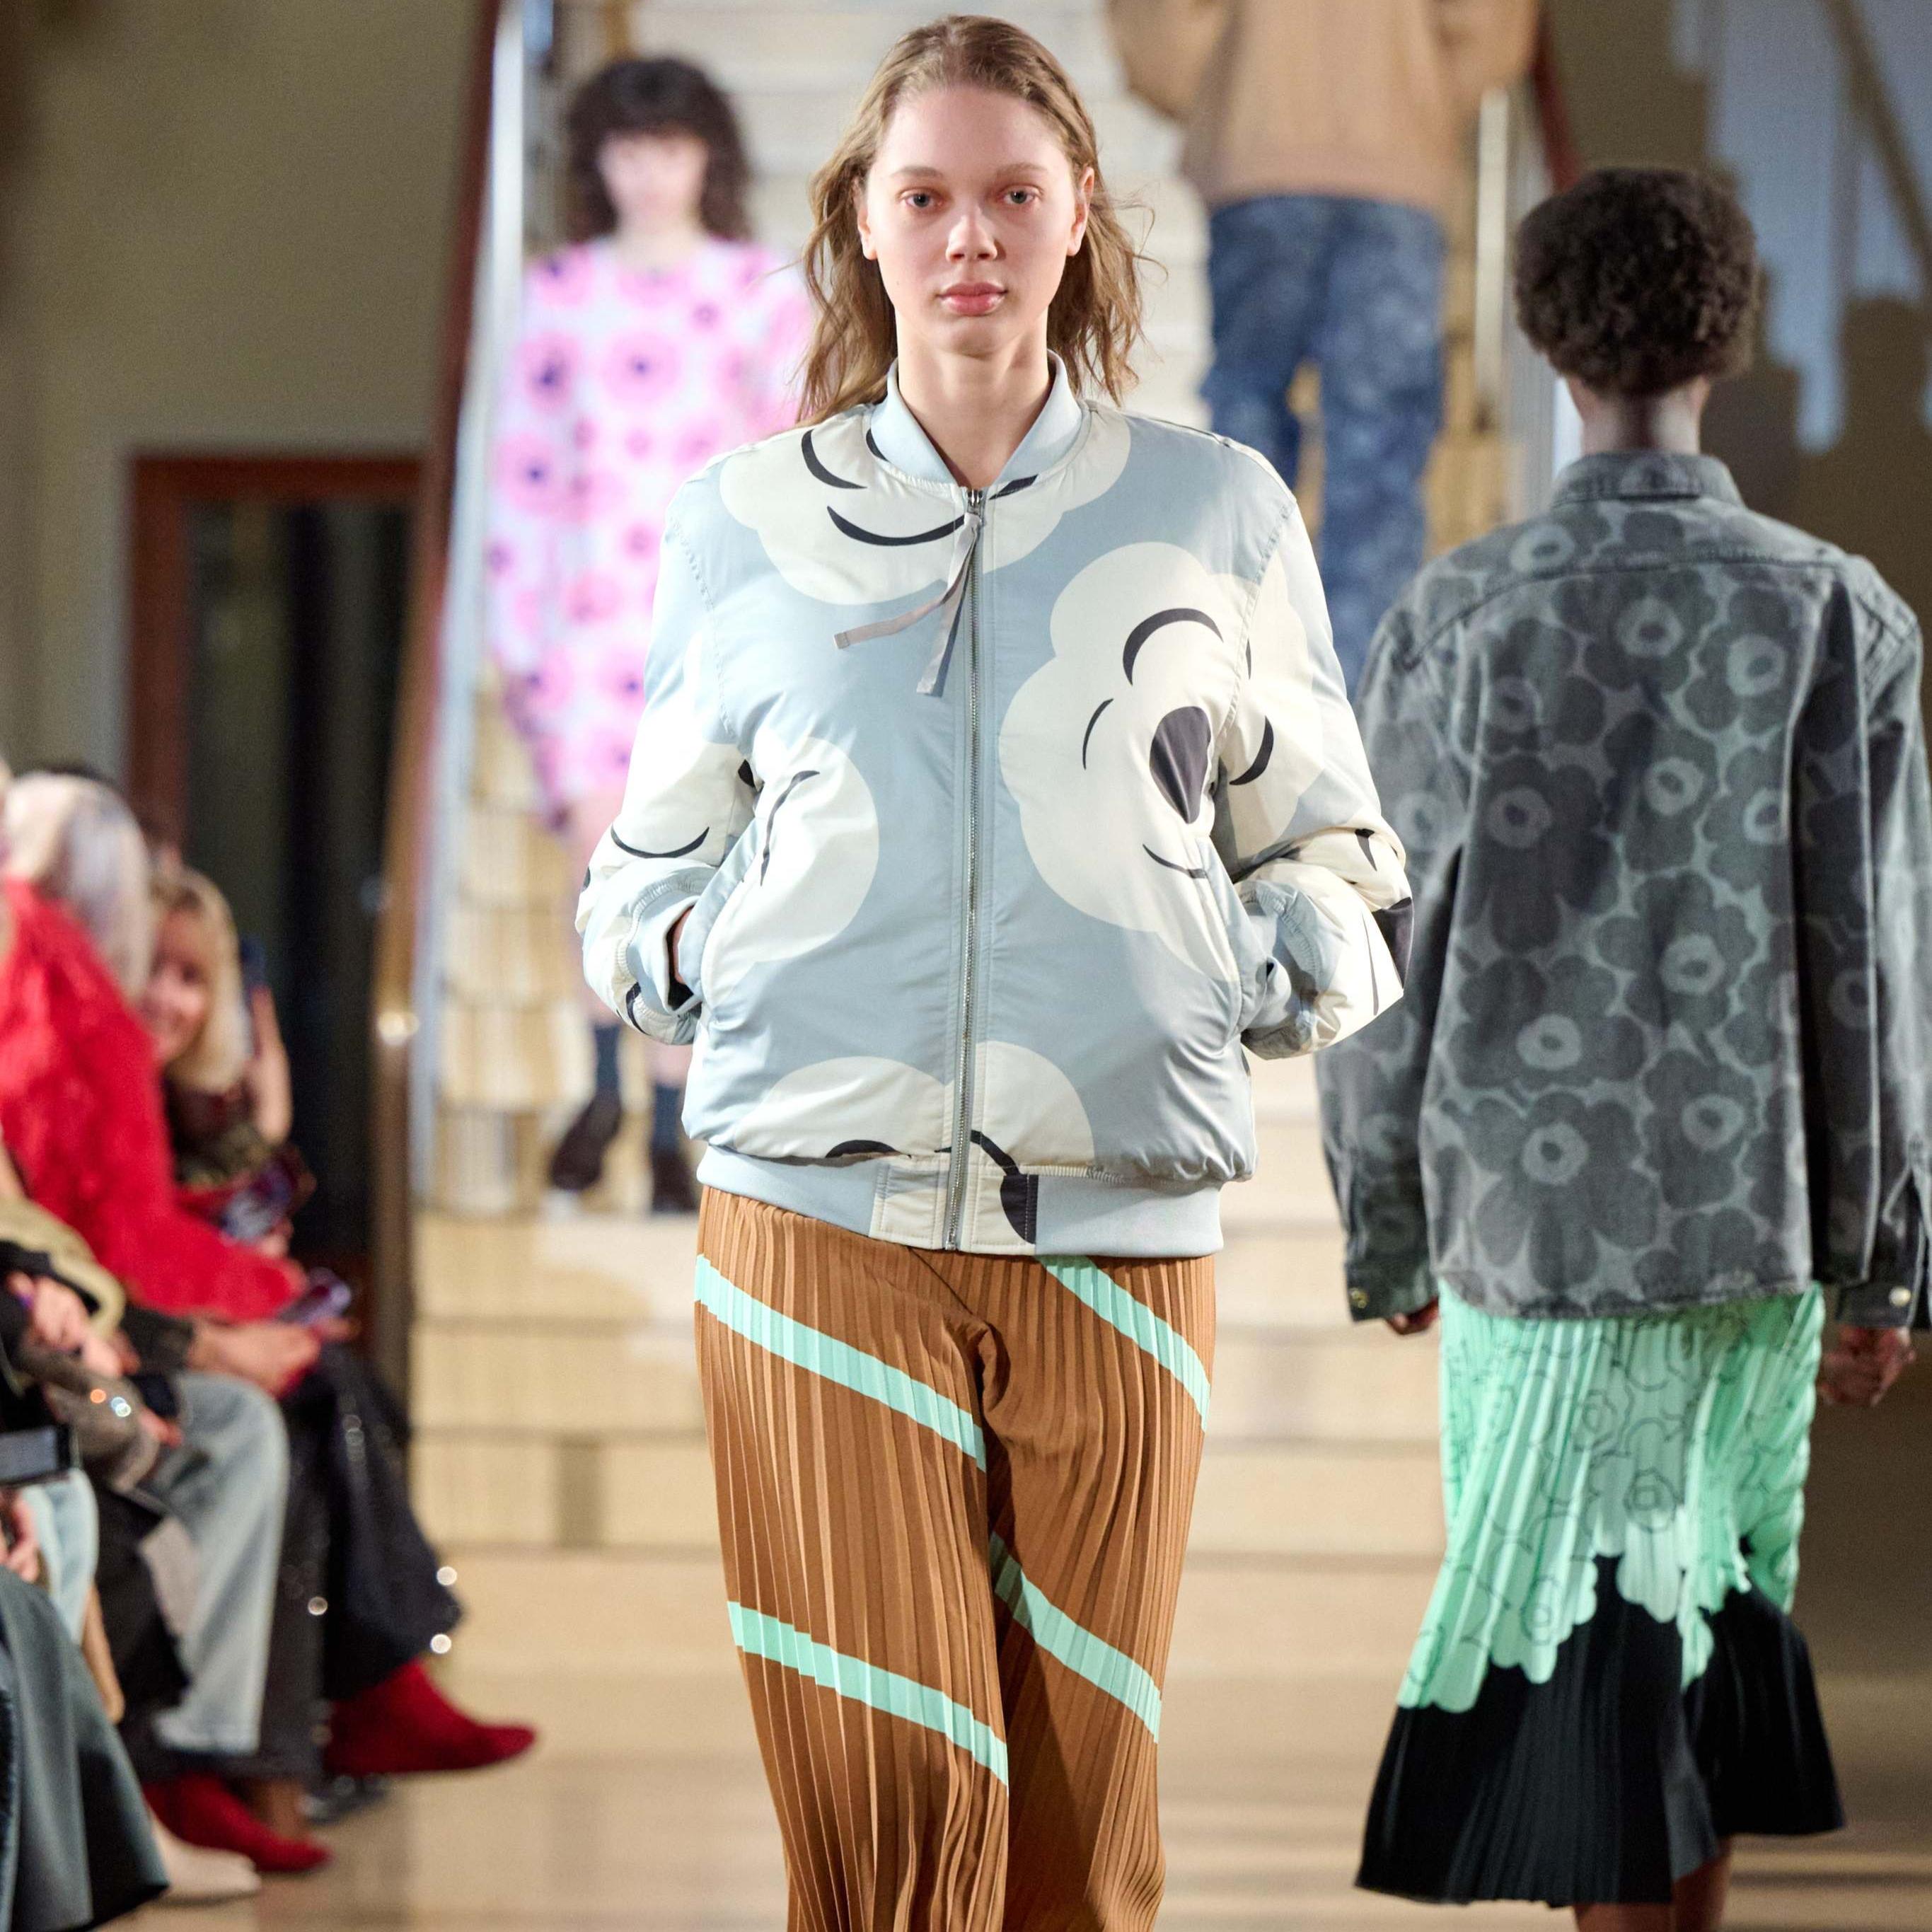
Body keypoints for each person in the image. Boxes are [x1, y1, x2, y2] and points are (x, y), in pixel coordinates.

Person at [577, 17, 1411, 1925]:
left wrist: (1219, 971)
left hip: (1122, 1232)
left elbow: (1341, 871)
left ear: (1078, 221)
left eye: (1010, 195)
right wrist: (728, 952)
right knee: (885, 1798)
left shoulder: (1215, 512)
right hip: (811, 1230)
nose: (969, 235)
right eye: (927, 197)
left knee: (1072, 1815)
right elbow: (639, 890)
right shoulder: (742, 523)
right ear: (862, 229)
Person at [1317, 168, 1926, 1928]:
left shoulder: (1457, 614)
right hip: (1747, 1227)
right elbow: (1874, 954)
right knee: (1692, 1660)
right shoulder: (1836, 612)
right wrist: (1887, 1249)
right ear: (1731, 337)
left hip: (1524, 1226)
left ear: (1543, 343)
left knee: (1573, 1659)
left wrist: (1384, 1219)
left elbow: (1377, 951)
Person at [487, 55, 811, 1205]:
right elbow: (521, 474)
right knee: (603, 876)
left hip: (710, 632)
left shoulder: (761, 292)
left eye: (670, 149)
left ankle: (669, 1120)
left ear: (707, 159)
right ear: (597, 165)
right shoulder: (560, 293)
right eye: (628, 151)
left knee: (693, 874)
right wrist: (514, 639)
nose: (650, 173)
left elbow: (798, 465)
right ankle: (603, 1090)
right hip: (585, 632)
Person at [1107, 0, 1538, 691]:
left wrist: (1224, 95)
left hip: (1258, 157)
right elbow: (1487, 21)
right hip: (1398, 161)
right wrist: (1421, 93)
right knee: (1383, 442)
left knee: (1249, 411)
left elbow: (1163, 25)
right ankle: (1360, 703)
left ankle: (1240, 679)